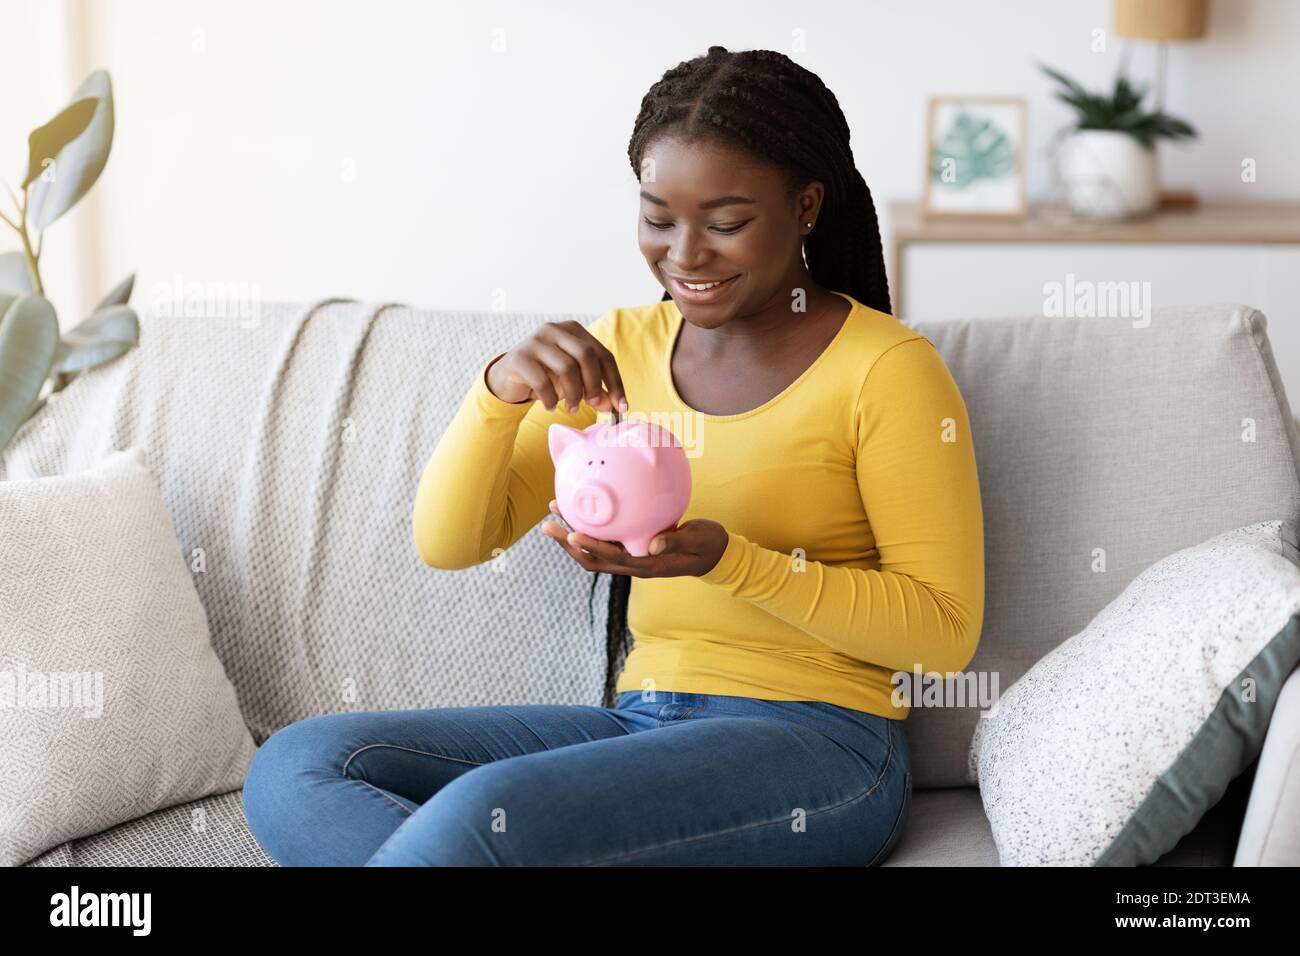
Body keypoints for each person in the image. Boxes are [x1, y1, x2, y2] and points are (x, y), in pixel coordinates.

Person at [242, 44, 984, 867]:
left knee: (485, 817)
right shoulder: (617, 350)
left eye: (727, 222)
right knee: (299, 767)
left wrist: (732, 563)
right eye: (659, 218)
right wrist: (499, 393)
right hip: (641, 720)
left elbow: (943, 636)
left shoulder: (886, 369)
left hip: (824, 746)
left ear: (806, 206)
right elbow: (450, 543)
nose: (686, 255)